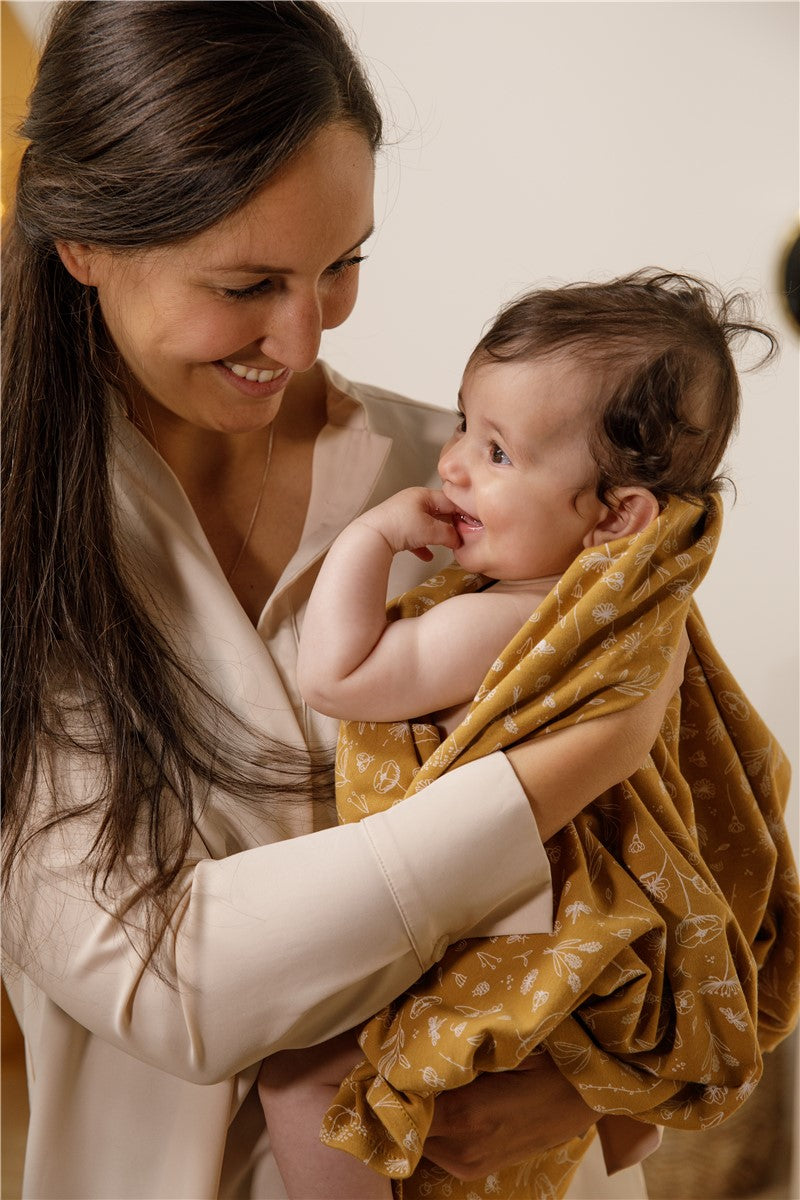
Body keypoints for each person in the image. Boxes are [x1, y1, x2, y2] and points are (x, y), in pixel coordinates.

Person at [0, 5, 696, 1199]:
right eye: (247, 282)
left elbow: (715, 876)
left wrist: (598, 1091)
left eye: (342, 265)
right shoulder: (25, 545)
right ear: (83, 246)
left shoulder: (496, 499)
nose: (306, 333)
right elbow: (164, 979)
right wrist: (552, 774)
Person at [257, 273, 800, 1200]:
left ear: (616, 517)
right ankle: (617, 1143)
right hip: (566, 961)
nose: (455, 461)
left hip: (520, 952)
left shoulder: (512, 620)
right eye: (468, 423)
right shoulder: (622, 614)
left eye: (498, 452)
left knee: (302, 1078)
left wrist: (374, 537)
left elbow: (335, 676)